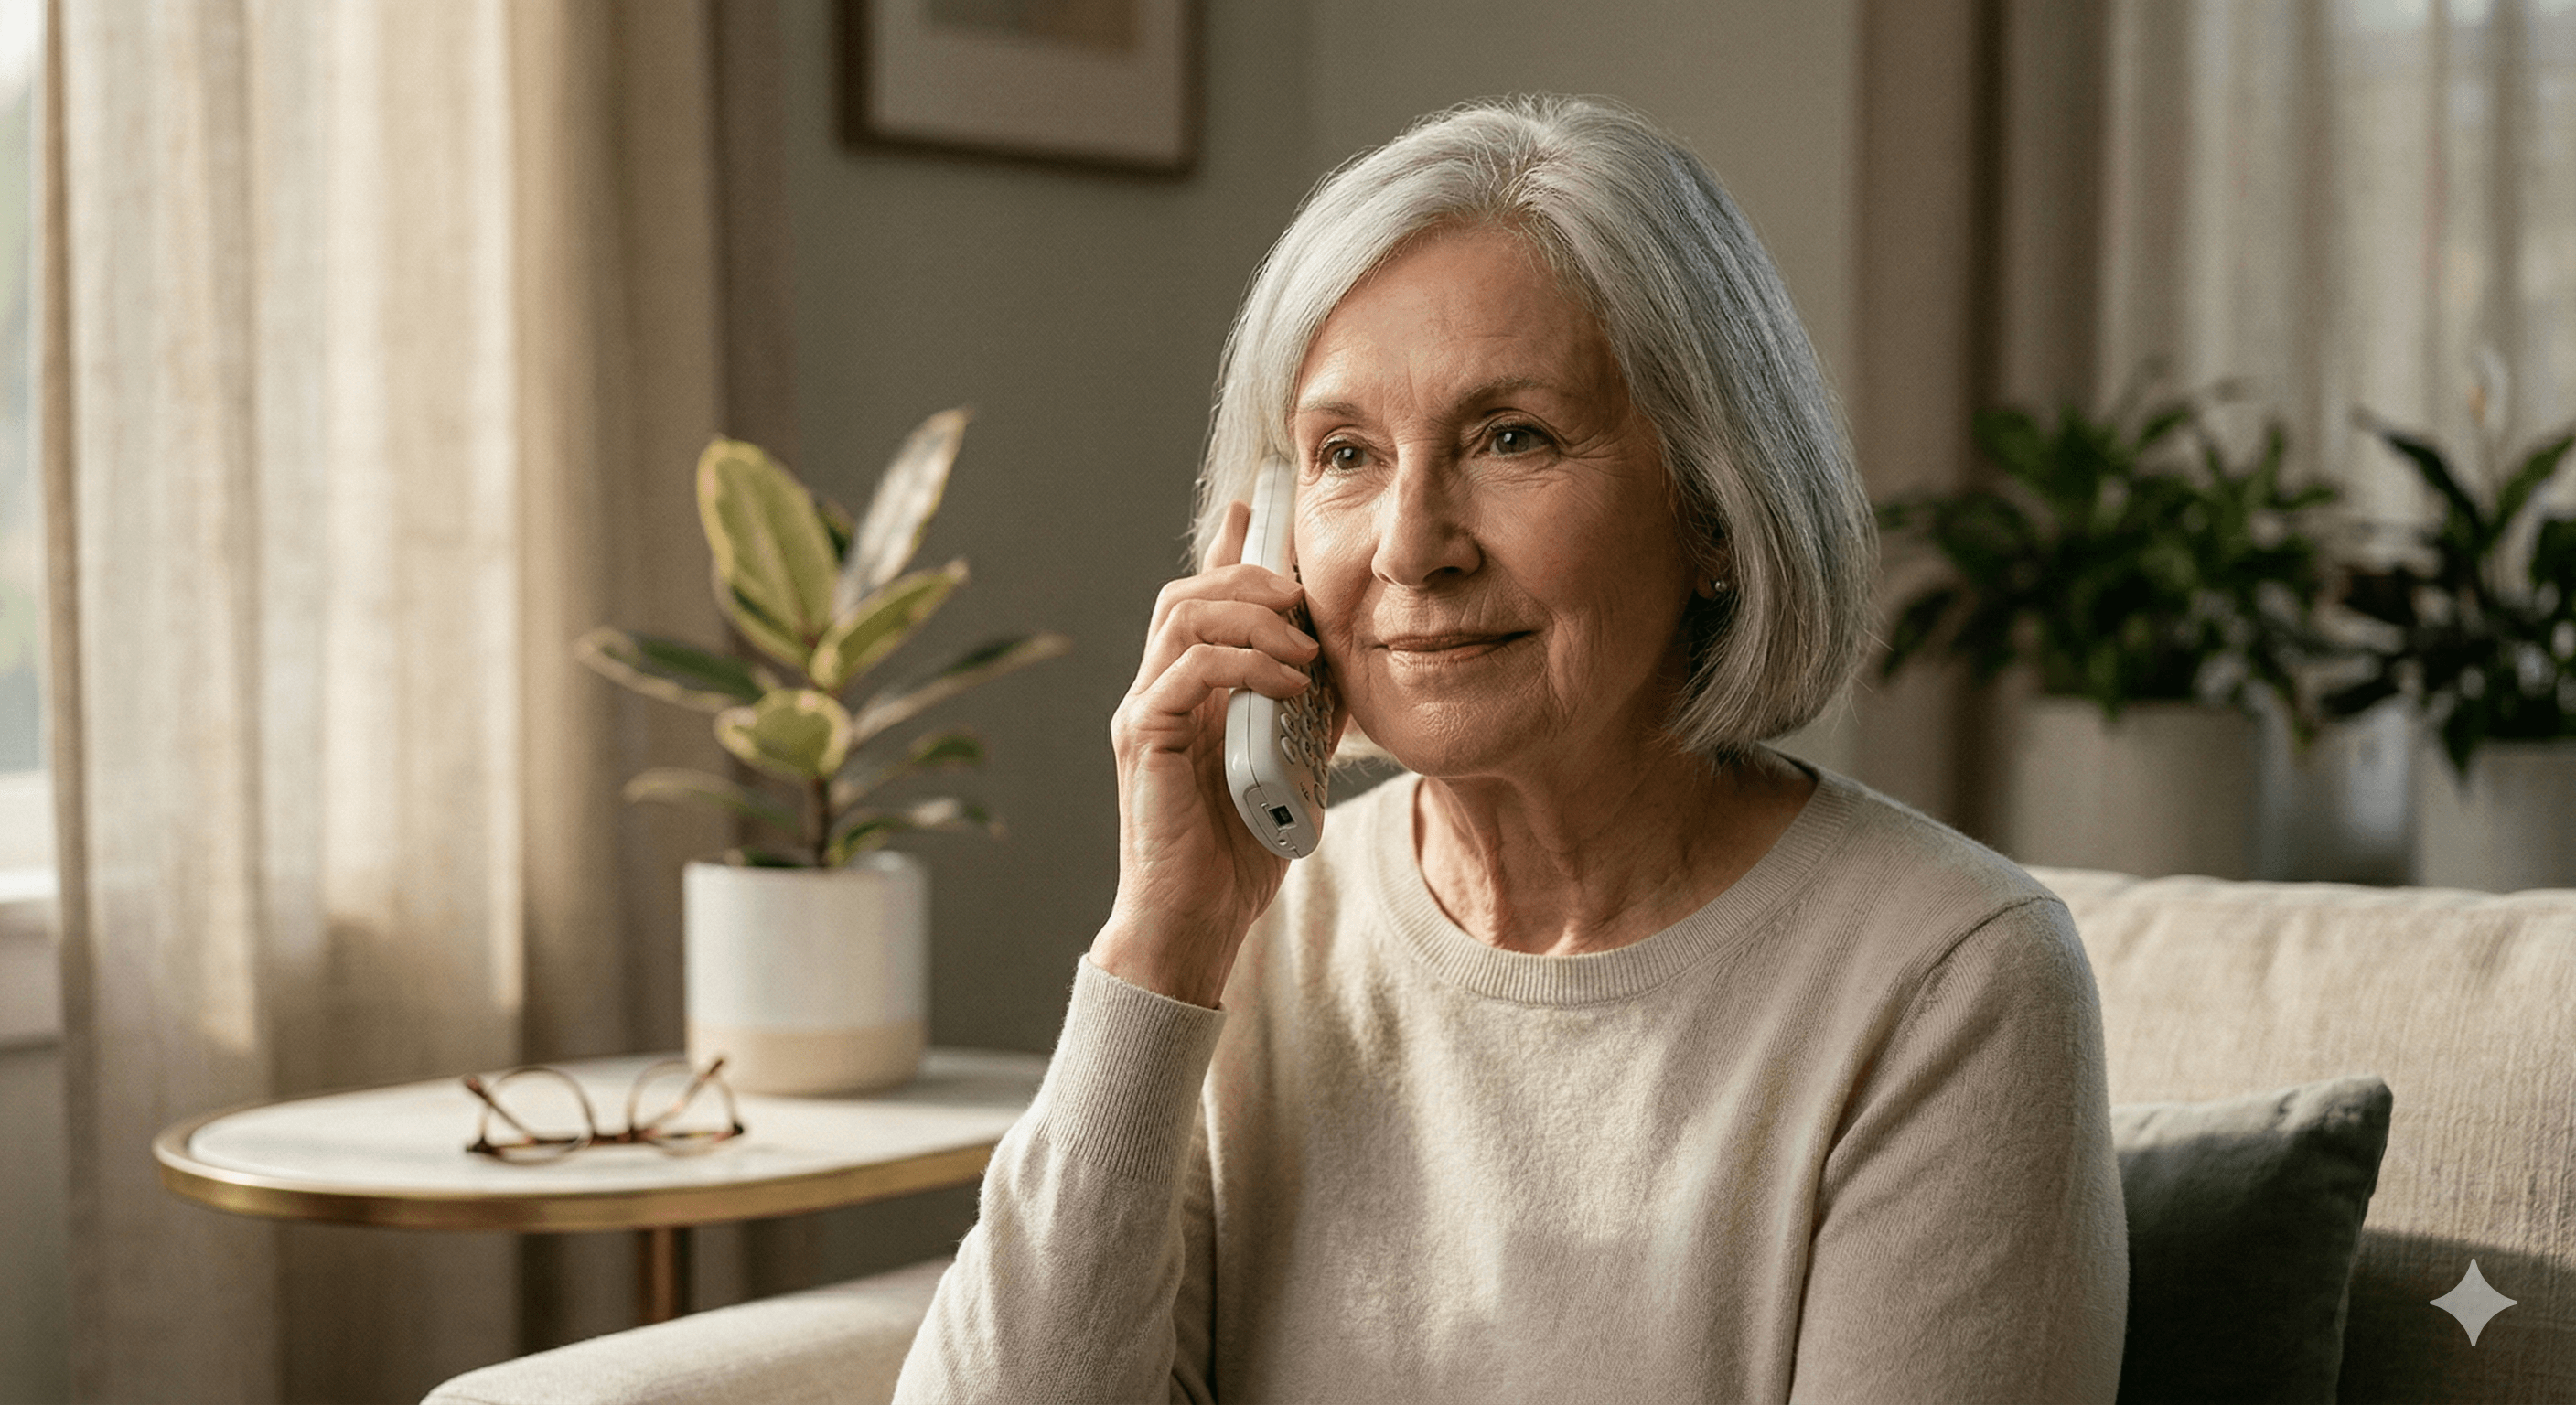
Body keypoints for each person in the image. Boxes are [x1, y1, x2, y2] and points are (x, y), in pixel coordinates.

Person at [894, 95, 2126, 1403]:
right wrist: (1161, 945)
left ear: (1713, 509)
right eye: (1347, 454)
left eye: (1511, 438)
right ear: (1266, 539)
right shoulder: (1245, 942)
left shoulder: (1955, 984)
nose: (1413, 544)